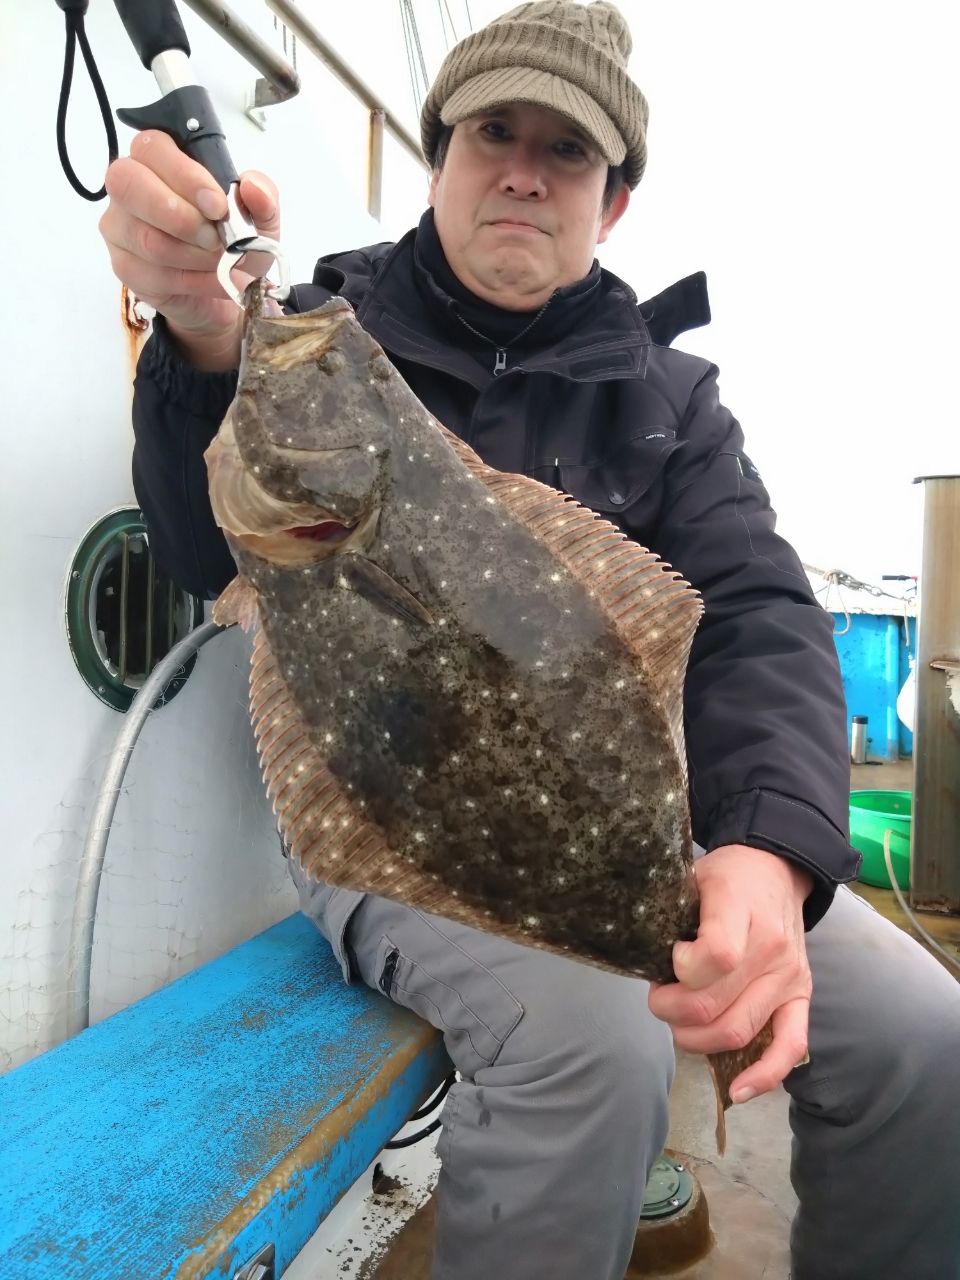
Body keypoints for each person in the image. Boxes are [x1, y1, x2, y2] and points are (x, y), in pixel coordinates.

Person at [99, 3, 960, 1277]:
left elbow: (760, 615)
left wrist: (770, 854)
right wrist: (200, 338)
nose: (522, 168)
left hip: (634, 820)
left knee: (924, 1038)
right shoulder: (334, 329)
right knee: (593, 1041)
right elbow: (199, 543)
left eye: (567, 151)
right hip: (389, 816)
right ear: (442, 157)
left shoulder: (672, 401)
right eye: (493, 132)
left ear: (610, 203)